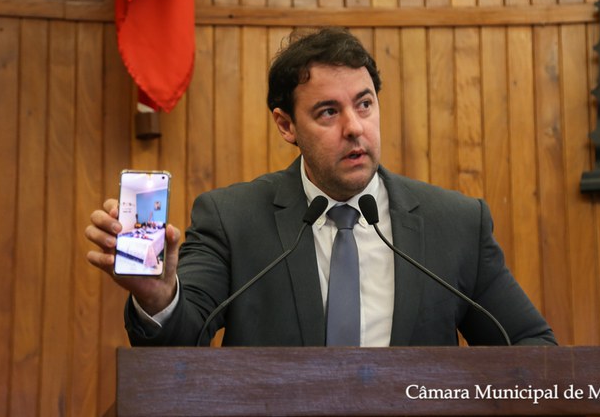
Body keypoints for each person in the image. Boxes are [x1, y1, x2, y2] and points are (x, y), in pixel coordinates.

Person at [85, 27, 556, 347]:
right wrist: (158, 297)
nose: (355, 127)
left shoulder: (455, 224)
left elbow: (532, 346)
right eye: (329, 112)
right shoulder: (232, 219)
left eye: (364, 104)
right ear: (286, 125)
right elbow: (180, 342)